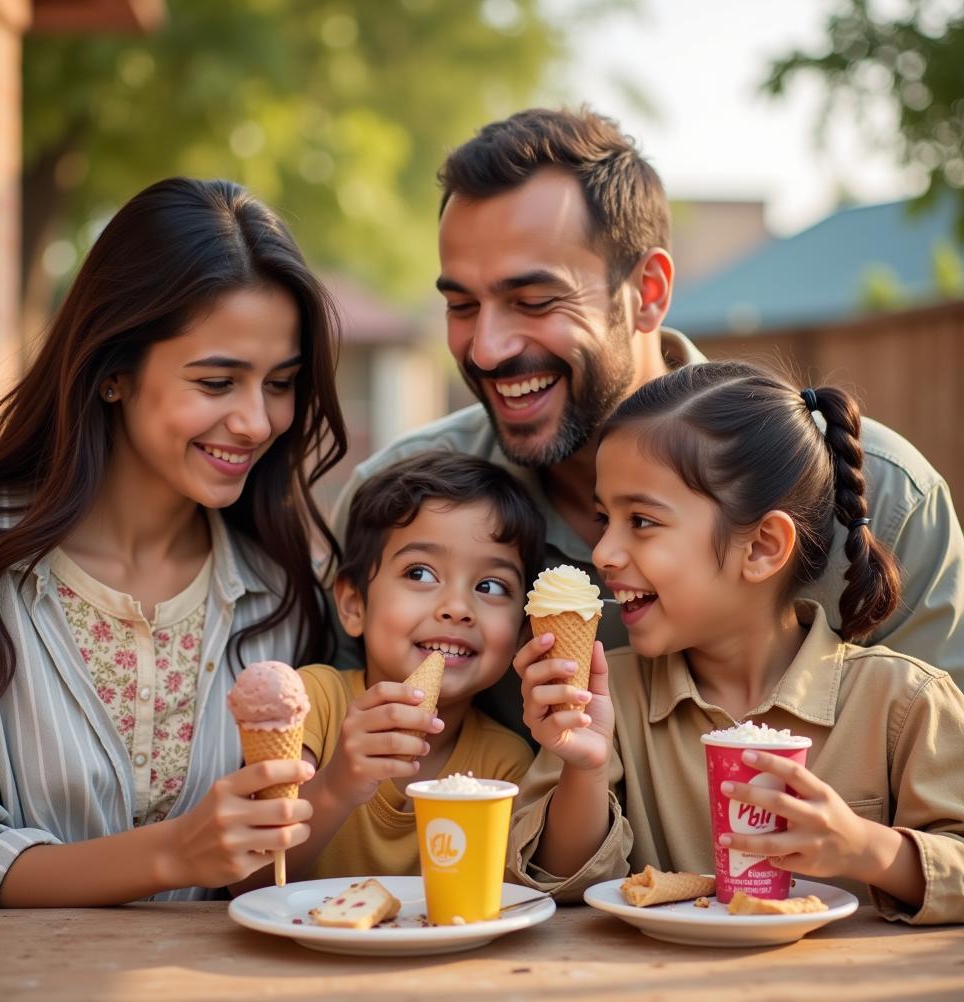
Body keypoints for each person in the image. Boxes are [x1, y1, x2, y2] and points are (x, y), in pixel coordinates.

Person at [329, 107, 964, 737]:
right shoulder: (397, 503)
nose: (487, 348)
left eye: (534, 301)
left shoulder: (888, 499)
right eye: (461, 305)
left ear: (649, 291)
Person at [0, 177, 347, 917]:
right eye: (218, 380)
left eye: (280, 384)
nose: (256, 422)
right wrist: (172, 852)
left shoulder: (285, 594)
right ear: (115, 372)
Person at [509, 362, 964, 926]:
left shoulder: (904, 702)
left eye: (642, 521)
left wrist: (866, 848)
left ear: (762, 548)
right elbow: (562, 883)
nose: (602, 552)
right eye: (605, 519)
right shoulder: (607, 698)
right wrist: (585, 765)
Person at [287, 452, 539, 881]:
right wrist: (337, 784)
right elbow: (249, 875)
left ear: (520, 634)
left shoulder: (505, 764)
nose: (458, 608)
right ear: (353, 605)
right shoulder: (313, 703)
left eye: (490, 586)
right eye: (420, 574)